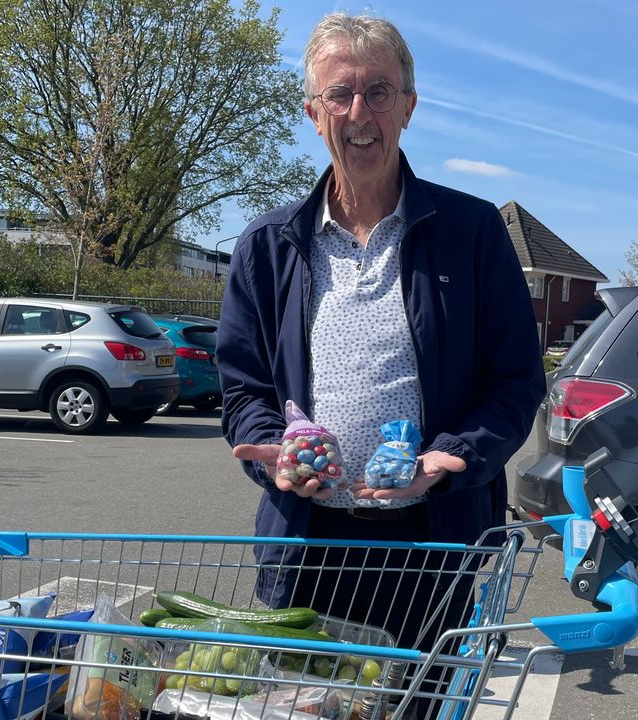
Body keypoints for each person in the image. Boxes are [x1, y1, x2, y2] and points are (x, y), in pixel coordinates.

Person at [216, 10, 544, 661]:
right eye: (340, 93)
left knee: (419, 702)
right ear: (314, 112)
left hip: (434, 545)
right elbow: (243, 386)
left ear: (408, 107)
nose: (359, 111)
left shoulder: (472, 234)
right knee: (304, 704)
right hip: (307, 545)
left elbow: (515, 383)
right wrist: (276, 449)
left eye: (378, 92)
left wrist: (447, 459)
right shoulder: (266, 246)